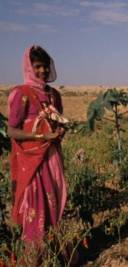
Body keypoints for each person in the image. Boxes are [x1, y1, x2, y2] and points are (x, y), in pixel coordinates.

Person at [7, 45, 67, 246]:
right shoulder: (20, 93)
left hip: (51, 157)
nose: (43, 71)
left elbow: (58, 121)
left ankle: (53, 251)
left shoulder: (54, 95)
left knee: (54, 202)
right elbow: (11, 130)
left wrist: (59, 132)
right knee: (35, 204)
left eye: (46, 66)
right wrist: (40, 135)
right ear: (29, 67)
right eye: (38, 66)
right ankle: (35, 255)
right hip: (31, 159)